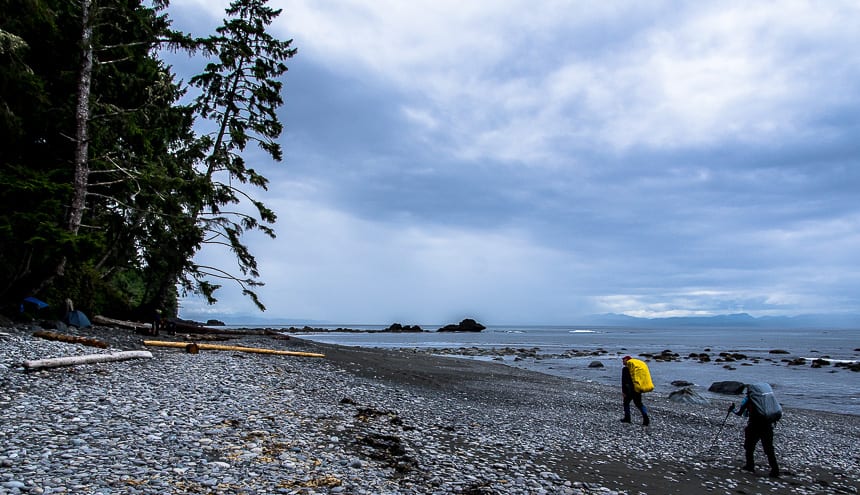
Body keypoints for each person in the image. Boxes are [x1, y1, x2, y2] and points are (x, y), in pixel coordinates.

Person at [731, 386, 780, 478]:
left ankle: (750, 466)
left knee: (749, 446)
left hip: (754, 426)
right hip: (768, 426)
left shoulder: (749, 399)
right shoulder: (766, 400)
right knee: (769, 449)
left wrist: (732, 409)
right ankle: (775, 470)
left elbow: (740, 413)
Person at [620, 355, 650, 426]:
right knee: (639, 404)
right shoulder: (635, 369)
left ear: (627, 360)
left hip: (629, 389)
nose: (622, 361)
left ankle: (627, 418)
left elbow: (624, 381)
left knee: (626, 403)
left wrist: (624, 392)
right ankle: (646, 419)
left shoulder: (625, 369)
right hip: (637, 388)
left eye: (624, 360)